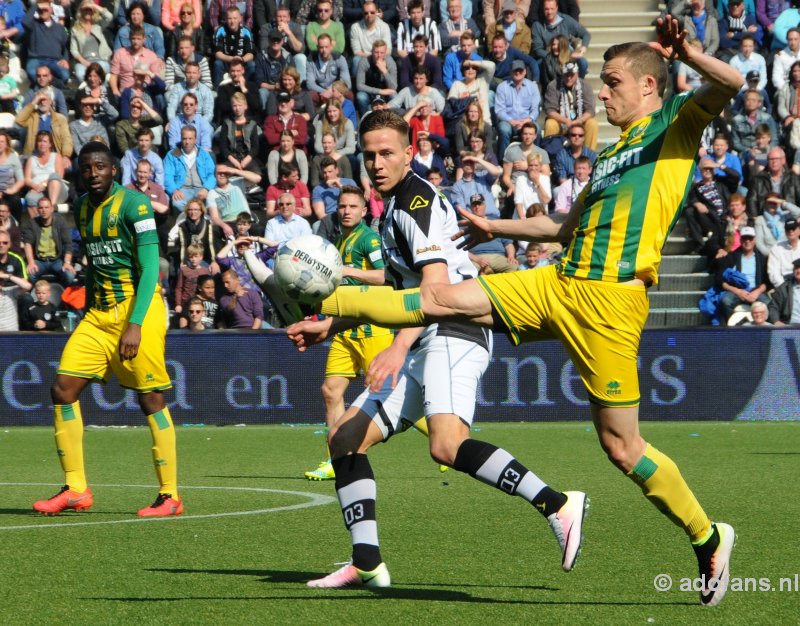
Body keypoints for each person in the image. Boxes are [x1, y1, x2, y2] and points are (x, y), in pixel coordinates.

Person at [306, 24, 739, 605]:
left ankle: (707, 536)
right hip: (558, 282)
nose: (601, 96)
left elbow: (731, 82)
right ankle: (321, 298)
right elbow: (561, 228)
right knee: (438, 299)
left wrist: (688, 53)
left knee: (622, 448)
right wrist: (493, 226)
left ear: (650, 86)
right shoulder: (610, 156)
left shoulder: (675, 124)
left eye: (612, 84)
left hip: (611, 303)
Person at [288, 110, 584, 589]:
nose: (377, 163)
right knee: (344, 440)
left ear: (409, 153)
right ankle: (366, 562)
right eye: (369, 155)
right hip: (429, 331)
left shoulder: (415, 204)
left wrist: (399, 347)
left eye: (387, 153)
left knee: (446, 445)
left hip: (456, 328)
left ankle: (558, 504)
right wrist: (333, 324)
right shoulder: (392, 208)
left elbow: (434, 290)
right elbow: (398, 283)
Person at [32, 141, 183, 517]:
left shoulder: (136, 204)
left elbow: (151, 268)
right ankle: (76, 489)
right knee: (63, 389)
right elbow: (97, 267)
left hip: (138, 309)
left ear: (114, 170)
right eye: (86, 168)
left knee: (150, 398)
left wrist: (133, 325)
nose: (93, 173)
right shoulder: (81, 209)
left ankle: (170, 495)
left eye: (100, 166)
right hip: (98, 316)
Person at [304, 185, 395, 479]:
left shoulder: (368, 239)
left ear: (364, 211)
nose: (346, 211)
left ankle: (443, 434)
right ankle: (336, 460)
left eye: (353, 207)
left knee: (391, 397)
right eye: (342, 206)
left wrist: (350, 271)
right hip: (344, 331)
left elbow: (386, 278)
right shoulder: (340, 241)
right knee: (331, 391)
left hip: (372, 330)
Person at [715, 225, 770, 322]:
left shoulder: (762, 258)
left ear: (755, 240)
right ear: (740, 240)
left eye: (750, 238)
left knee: (768, 303)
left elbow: (767, 281)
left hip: (755, 290)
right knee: (725, 301)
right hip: (737, 291)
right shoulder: (731, 257)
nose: (747, 241)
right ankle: (733, 327)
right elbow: (719, 279)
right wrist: (738, 291)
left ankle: (764, 329)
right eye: (745, 238)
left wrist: (756, 292)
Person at [543, 62, 599, 150]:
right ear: (562, 74)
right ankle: (550, 156)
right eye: (566, 75)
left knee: (592, 124)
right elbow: (550, 111)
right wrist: (566, 121)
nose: (569, 78)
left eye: (572, 75)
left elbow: (590, 110)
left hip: (580, 121)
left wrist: (579, 120)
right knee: (550, 124)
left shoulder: (585, 86)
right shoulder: (553, 85)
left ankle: (589, 157)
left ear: (577, 74)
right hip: (560, 122)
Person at [22, 196, 75, 284]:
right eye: (41, 208)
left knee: (69, 275)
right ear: (38, 210)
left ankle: (61, 293)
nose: (44, 210)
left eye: (46, 207)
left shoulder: (60, 221)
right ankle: (38, 294)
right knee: (30, 274)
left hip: (57, 260)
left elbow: (68, 243)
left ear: (52, 209)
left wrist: (67, 262)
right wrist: (31, 262)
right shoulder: (31, 223)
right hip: (40, 260)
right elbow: (27, 244)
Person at [495, 59, 541, 158]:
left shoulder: (532, 86)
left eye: (520, 70)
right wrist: (511, 121)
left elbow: (535, 109)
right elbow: (499, 110)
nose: (518, 72)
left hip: (527, 120)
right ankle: (502, 161)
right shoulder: (502, 87)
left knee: (537, 128)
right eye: (515, 70)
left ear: (525, 72)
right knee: (504, 129)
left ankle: (535, 159)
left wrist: (528, 120)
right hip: (508, 121)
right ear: (510, 72)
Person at [163, 125, 216, 212]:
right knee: (177, 204)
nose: (187, 141)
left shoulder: (203, 154)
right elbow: (167, 176)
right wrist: (174, 190)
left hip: (201, 188)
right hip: (182, 189)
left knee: (214, 201)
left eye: (190, 138)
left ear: (195, 139)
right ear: (181, 138)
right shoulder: (171, 155)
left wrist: (206, 188)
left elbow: (212, 173)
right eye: (184, 138)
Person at [466, 193, 518, 274]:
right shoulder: (466, 226)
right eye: (474, 205)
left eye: (479, 204)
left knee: (514, 267)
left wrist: (511, 255)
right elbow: (462, 250)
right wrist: (477, 259)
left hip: (497, 256)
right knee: (468, 273)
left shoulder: (496, 222)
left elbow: (508, 244)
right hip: (476, 258)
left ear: (485, 205)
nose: (477, 207)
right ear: (471, 207)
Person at [22, 1, 70, 88]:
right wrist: (36, 5)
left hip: (54, 60)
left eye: (45, 10)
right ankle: (42, 90)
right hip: (36, 59)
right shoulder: (33, 24)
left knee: (65, 75)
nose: (43, 11)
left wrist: (65, 59)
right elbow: (25, 22)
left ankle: (52, 90)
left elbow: (65, 47)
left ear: (51, 11)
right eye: (40, 10)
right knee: (32, 72)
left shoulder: (59, 28)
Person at [23, 130, 69, 211]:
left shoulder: (56, 156)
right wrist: (36, 186)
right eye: (39, 141)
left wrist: (44, 184)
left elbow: (59, 175)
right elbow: (27, 179)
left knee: (54, 176)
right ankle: (37, 222)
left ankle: (52, 206)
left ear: (50, 144)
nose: (42, 144)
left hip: (57, 190)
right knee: (30, 197)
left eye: (44, 141)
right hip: (39, 190)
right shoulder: (31, 159)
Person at [70, 0, 114, 82]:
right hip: (84, 61)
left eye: (89, 10)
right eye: (85, 10)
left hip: (101, 59)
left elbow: (109, 16)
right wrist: (84, 62)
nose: (87, 12)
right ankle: (86, 92)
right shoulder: (75, 29)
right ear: (81, 11)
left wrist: (94, 6)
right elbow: (74, 50)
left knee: (100, 71)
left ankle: (102, 92)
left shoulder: (98, 25)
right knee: (80, 73)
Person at [212, 6, 255, 88]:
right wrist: (231, 59)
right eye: (229, 18)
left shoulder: (246, 31)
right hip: (226, 62)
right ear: (225, 19)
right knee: (217, 63)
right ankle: (217, 92)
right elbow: (218, 54)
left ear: (240, 18)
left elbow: (251, 54)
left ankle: (249, 89)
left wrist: (242, 59)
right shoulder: (220, 30)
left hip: (241, 62)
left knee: (251, 65)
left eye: (235, 18)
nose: (232, 21)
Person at [0, 229, 29, 330]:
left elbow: (26, 285)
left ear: (9, 244)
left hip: (12, 291)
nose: (1, 245)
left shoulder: (16, 259)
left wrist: (7, 276)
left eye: (5, 243)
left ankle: (24, 327)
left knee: (27, 298)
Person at [767, 217, 800, 287]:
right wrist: (784, 287)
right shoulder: (776, 248)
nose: (791, 231)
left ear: (799, 230)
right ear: (785, 232)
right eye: (788, 229)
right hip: (784, 283)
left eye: (793, 228)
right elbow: (773, 272)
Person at [768, 258, 800, 323]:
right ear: (793, 270)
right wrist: (776, 321)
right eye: (796, 268)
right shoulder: (784, 288)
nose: (798, 271)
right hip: (790, 327)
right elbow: (773, 307)